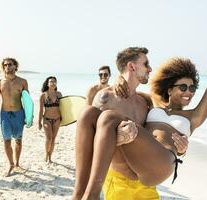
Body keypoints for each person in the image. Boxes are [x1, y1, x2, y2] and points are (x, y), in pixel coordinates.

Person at [79, 51, 207, 199]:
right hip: (138, 163)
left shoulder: (193, 116)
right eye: (183, 87)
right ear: (169, 90)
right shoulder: (153, 103)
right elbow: (129, 91)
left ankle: (91, 196)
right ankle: (79, 193)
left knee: (110, 117)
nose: (188, 92)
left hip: (163, 162)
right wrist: (120, 79)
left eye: (192, 88)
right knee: (90, 114)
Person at [72, 47, 188, 200]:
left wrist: (181, 150)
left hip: (143, 181)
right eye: (146, 64)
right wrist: (116, 139)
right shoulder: (106, 97)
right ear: (131, 67)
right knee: (89, 114)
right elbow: (89, 142)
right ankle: (81, 195)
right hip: (118, 180)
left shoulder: (145, 102)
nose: (150, 69)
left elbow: (156, 138)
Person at [0, 58, 28, 177]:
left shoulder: (23, 81)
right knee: (6, 140)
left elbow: (27, 101)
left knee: (18, 140)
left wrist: (29, 117)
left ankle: (17, 163)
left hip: (19, 114)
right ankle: (11, 164)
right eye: (5, 65)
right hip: (5, 114)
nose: (7, 66)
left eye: (10, 64)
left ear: (15, 66)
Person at [38, 76, 62, 163]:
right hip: (46, 119)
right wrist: (39, 122)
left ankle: (50, 157)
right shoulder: (43, 95)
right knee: (49, 138)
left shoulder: (59, 94)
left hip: (57, 119)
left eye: (54, 82)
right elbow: (41, 110)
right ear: (47, 84)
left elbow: (63, 108)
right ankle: (46, 154)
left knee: (54, 138)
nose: (53, 83)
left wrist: (65, 119)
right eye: (51, 82)